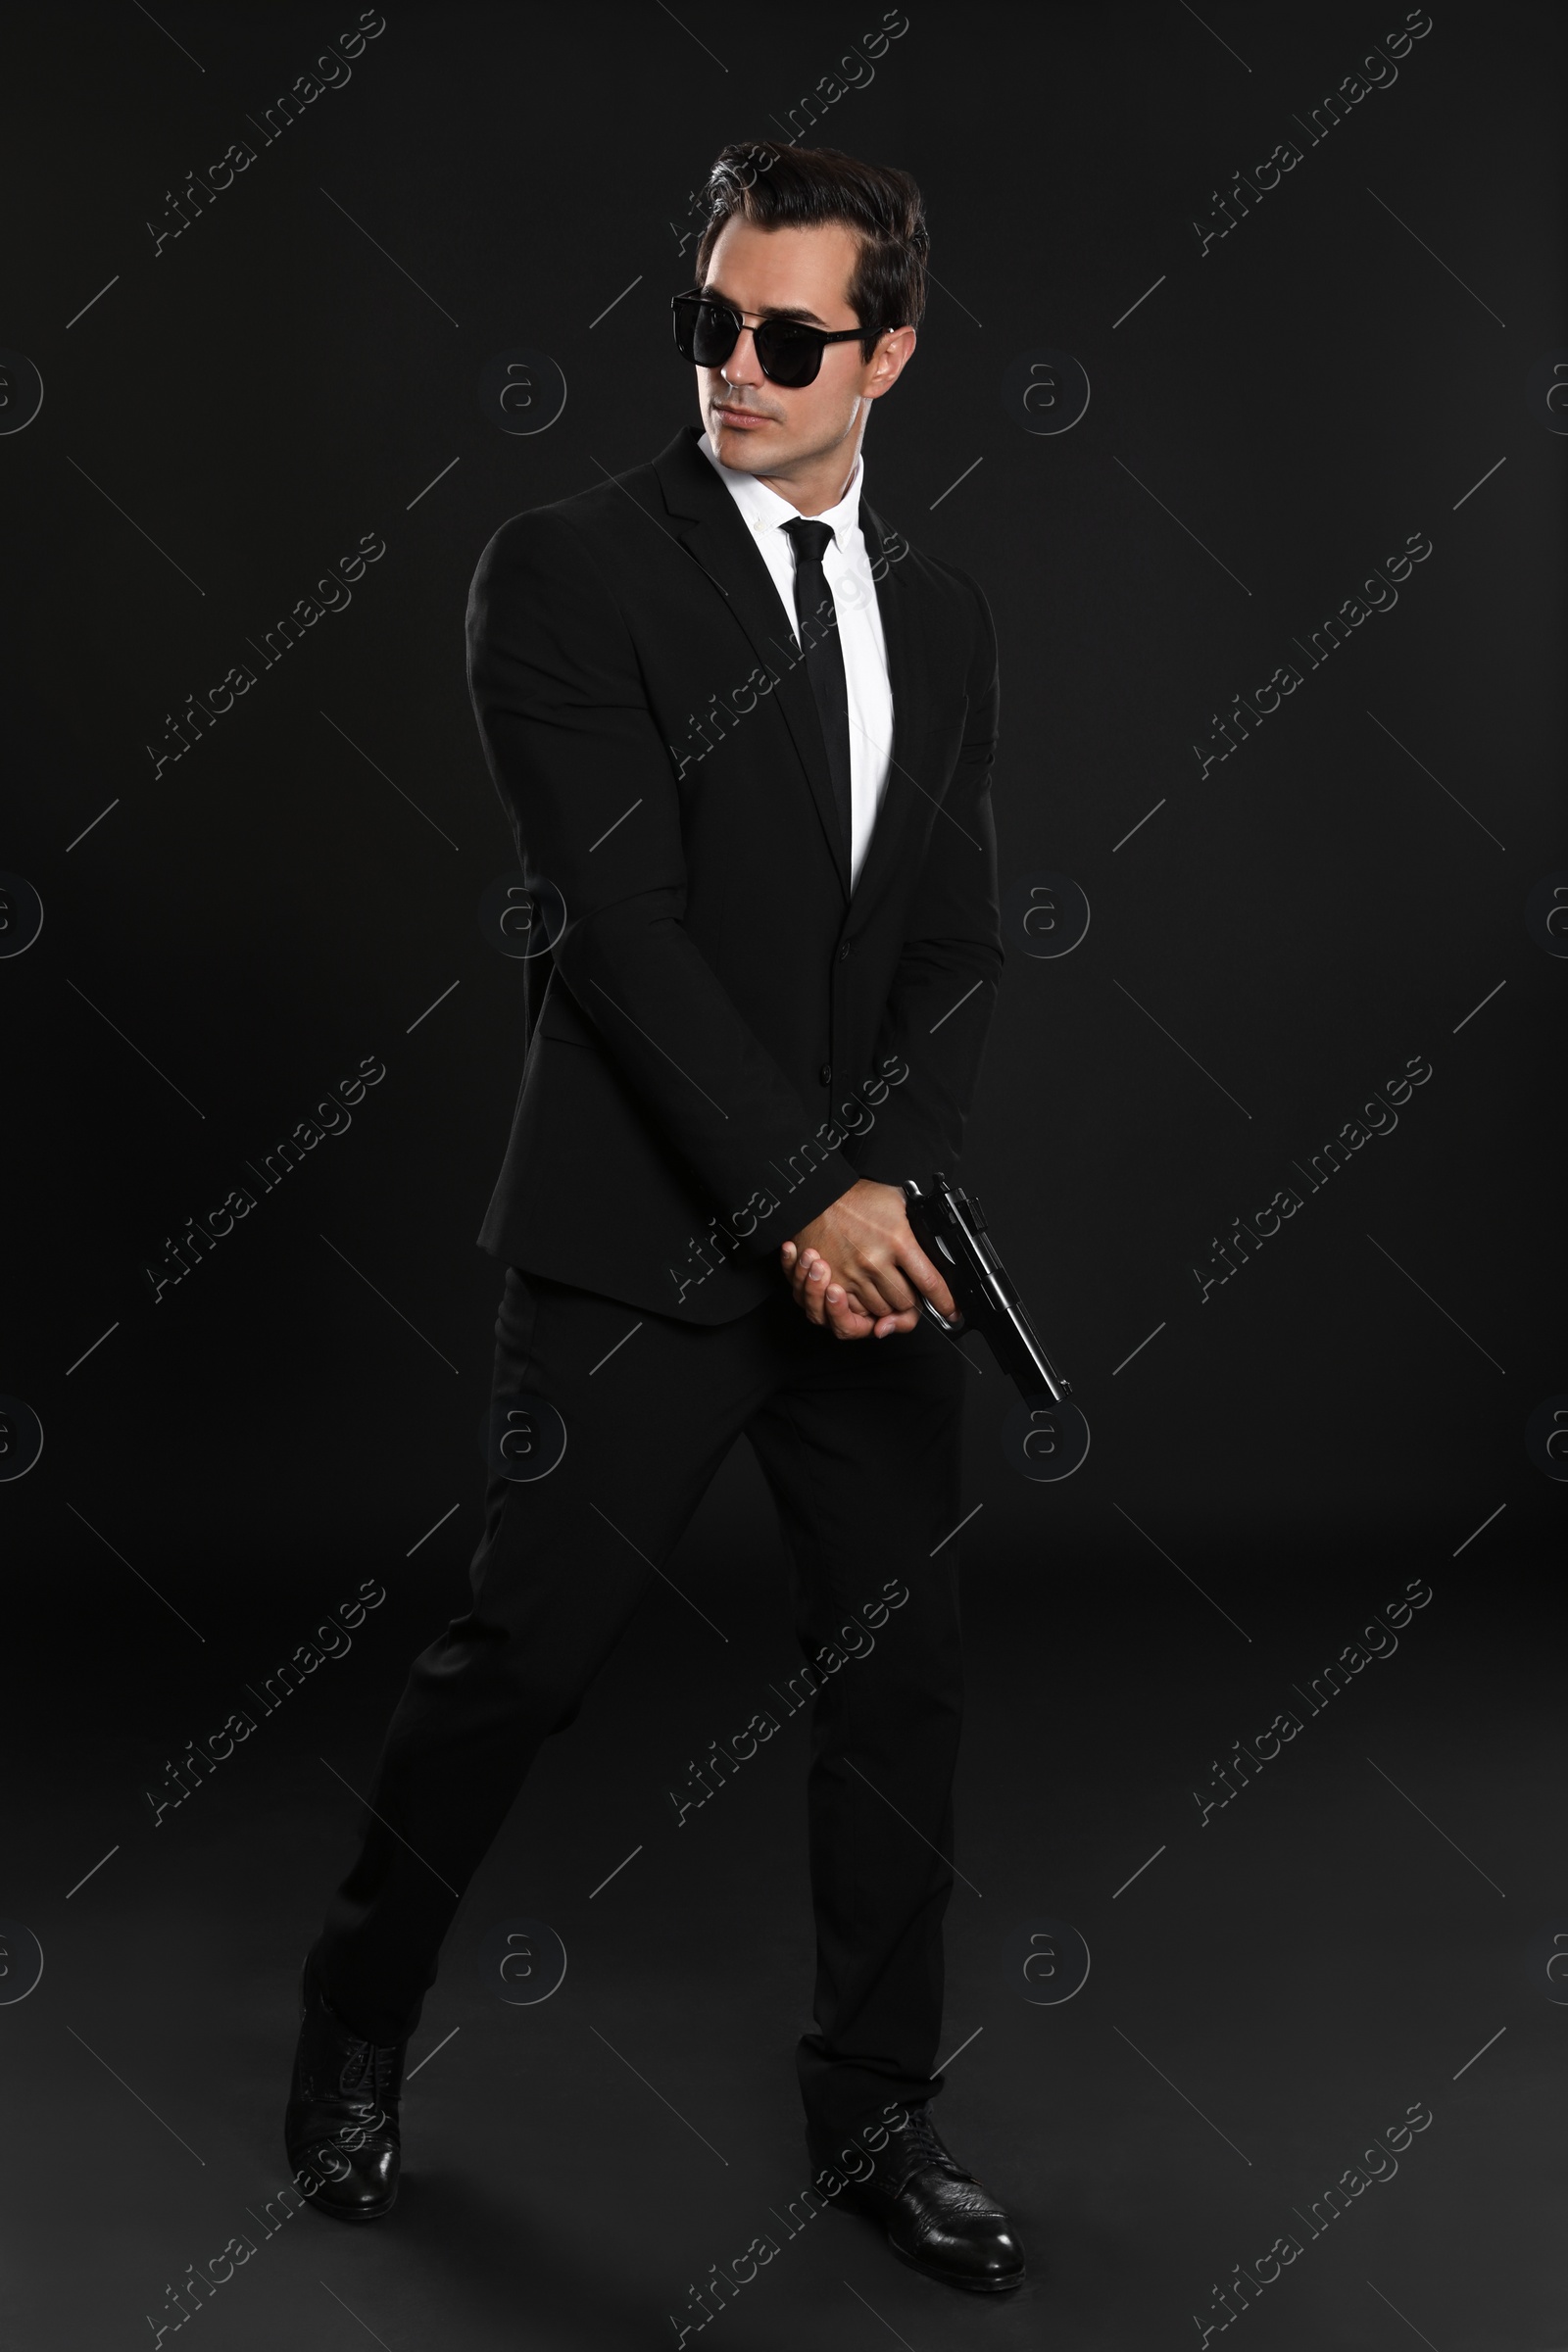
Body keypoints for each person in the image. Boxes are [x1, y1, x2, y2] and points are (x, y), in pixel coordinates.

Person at [284, 136, 1022, 2295]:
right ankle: (349, 2030)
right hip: (635, 1254)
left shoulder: (945, 611)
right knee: (520, 1667)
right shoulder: (565, 570)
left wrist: (882, 1187)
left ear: (887, 351)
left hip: (866, 1258)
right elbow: (624, 934)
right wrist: (804, 1193)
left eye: (787, 336)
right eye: (707, 320)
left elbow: (956, 940)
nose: (733, 364)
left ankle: (877, 2112)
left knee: (905, 1689)